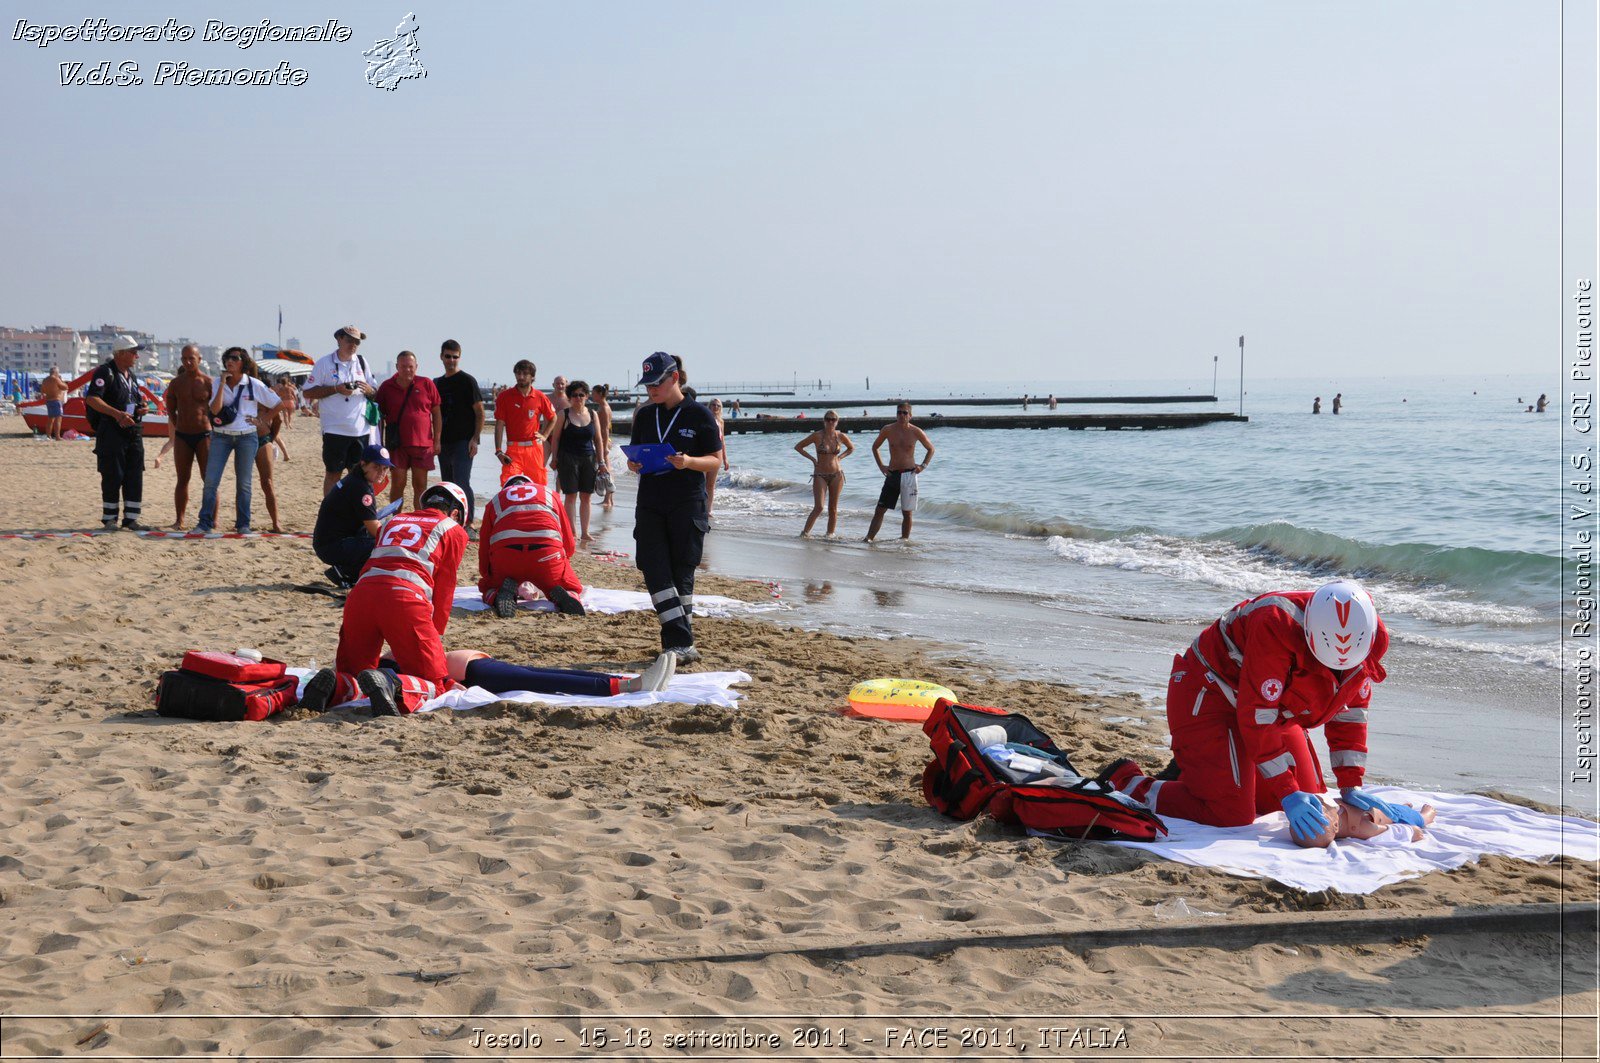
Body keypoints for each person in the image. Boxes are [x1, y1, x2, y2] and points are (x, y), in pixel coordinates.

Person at [1101, 580, 1423, 844]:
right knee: (1232, 814)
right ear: (1309, 635)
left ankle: (1204, 770)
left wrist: (1351, 785)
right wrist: (1287, 790)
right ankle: (1130, 781)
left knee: (1301, 798)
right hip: (1206, 693)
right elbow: (1258, 715)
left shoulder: (1370, 637)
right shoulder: (1275, 625)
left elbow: (1350, 714)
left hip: (1268, 710)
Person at [299, 482, 471, 716]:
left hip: (361, 595)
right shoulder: (453, 529)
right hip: (405, 599)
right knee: (435, 684)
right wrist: (434, 635)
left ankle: (336, 685)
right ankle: (392, 683)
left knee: (354, 674)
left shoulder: (393, 521)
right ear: (456, 513)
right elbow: (445, 587)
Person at [627, 352, 722, 662]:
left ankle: (677, 646)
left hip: (687, 502)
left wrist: (689, 462)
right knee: (653, 567)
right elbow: (636, 455)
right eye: (647, 385)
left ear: (675, 378)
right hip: (651, 501)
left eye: (657, 383)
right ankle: (682, 643)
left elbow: (715, 460)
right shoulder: (644, 415)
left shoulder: (699, 415)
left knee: (682, 573)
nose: (652, 390)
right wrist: (633, 463)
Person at [197, 348, 281, 534]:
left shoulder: (253, 384)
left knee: (244, 483)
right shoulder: (218, 382)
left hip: (247, 437)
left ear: (243, 362)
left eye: (234, 358)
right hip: (221, 436)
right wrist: (221, 385)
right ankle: (204, 523)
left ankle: (243, 524)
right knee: (211, 480)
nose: (230, 361)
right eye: (227, 358)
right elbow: (216, 410)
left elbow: (278, 404)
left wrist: (262, 420)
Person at [477, 473, 585, 617]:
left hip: (507, 560)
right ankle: (568, 595)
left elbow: (484, 548)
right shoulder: (550, 495)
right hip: (546, 557)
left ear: (507, 488)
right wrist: (562, 562)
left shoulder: (495, 501)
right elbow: (569, 545)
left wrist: (488, 576)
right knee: (570, 584)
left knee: (489, 587)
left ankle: (495, 595)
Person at [303, 326, 378, 495]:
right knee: (333, 473)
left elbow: (374, 392)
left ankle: (357, 513)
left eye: (357, 341)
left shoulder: (362, 362)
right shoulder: (324, 363)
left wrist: (368, 390)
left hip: (360, 430)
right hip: (334, 429)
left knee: (360, 475)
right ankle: (329, 512)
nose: (353, 344)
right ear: (339, 339)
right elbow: (308, 392)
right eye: (349, 340)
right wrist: (336, 389)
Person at [84, 335, 149, 529]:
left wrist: (140, 408)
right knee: (112, 475)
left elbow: (130, 401)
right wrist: (117, 414)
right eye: (133, 352)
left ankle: (131, 518)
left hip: (133, 432)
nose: (136, 356)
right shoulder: (105, 372)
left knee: (134, 475)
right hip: (112, 432)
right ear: (120, 354)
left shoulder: (132, 376)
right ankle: (110, 518)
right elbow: (92, 399)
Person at [313, 444, 394, 587]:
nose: (382, 472)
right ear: (363, 464)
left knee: (378, 539)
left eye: (385, 468)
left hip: (329, 541)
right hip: (331, 546)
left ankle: (348, 572)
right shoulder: (360, 487)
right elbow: (374, 529)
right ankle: (343, 572)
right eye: (377, 467)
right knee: (381, 544)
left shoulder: (357, 479)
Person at [445, 648, 676, 698]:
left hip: (471, 664)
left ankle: (627, 681)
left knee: (541, 673)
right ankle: (630, 686)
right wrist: (444, 683)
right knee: (539, 679)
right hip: (468, 672)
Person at [376, 350, 443, 511]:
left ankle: (419, 519)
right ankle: (396, 519)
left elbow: (436, 413)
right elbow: (379, 416)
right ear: (397, 366)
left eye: (411, 366)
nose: (407, 370)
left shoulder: (426, 383)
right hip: (397, 444)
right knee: (398, 483)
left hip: (423, 445)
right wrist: (379, 443)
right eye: (404, 366)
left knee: (420, 485)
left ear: (416, 366)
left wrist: (437, 440)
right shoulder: (386, 387)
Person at [864, 403, 934, 542]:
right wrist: (881, 466)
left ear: (910, 415)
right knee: (880, 510)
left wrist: (923, 466)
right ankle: (868, 539)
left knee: (907, 513)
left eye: (904, 413)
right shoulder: (888, 429)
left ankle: (904, 541)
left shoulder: (916, 431)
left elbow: (931, 449)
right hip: (892, 474)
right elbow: (875, 447)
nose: (901, 415)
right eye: (899, 412)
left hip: (909, 475)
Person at [160, 346, 212, 528]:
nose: (187, 362)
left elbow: (217, 408)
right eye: (184, 359)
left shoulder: (208, 382)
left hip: (204, 435)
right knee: (182, 479)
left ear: (199, 358)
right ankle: (179, 519)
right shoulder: (176, 383)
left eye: (191, 358)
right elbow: (170, 408)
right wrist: (178, 424)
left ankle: (212, 519)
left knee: (209, 479)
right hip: (183, 436)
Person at [434, 339, 483, 523]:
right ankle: (450, 520)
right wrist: (435, 439)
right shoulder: (437, 383)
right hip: (444, 441)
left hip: (463, 441)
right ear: (441, 357)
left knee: (462, 482)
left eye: (455, 357)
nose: (451, 360)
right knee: (447, 483)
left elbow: (479, 412)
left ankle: (468, 521)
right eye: (448, 356)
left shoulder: (467, 381)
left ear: (459, 358)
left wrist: (475, 439)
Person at [547, 379, 599, 541]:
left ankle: (585, 532)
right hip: (568, 458)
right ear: (570, 397)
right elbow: (555, 439)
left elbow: (599, 439)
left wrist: (602, 461)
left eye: (581, 395)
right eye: (574, 395)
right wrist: (554, 458)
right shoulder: (564, 414)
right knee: (570, 496)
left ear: (587, 396)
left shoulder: (593, 414)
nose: (578, 398)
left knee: (586, 496)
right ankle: (572, 531)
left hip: (589, 458)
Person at [1292, 794, 1437, 849]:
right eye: (1321, 811)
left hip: (1375, 807)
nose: (1319, 805)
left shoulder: (1328, 807)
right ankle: (1426, 815)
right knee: (1417, 818)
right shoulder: (1357, 828)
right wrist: (1411, 831)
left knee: (1390, 806)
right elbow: (1386, 831)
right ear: (1336, 826)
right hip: (1395, 817)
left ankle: (1404, 807)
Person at [493, 359, 555, 486]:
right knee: (508, 485)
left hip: (534, 449)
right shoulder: (504, 396)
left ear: (532, 377)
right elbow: (499, 424)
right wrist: (499, 451)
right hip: (513, 449)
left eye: (525, 374)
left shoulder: (540, 396)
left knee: (538, 487)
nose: (520, 377)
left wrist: (545, 435)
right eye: (518, 373)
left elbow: (553, 417)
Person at [796, 410, 854, 537]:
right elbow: (799, 447)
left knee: (833, 509)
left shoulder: (841, 436)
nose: (830, 422)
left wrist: (840, 457)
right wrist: (812, 459)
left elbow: (851, 448)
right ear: (824, 421)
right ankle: (804, 534)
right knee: (819, 507)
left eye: (833, 419)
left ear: (837, 422)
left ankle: (830, 535)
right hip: (820, 475)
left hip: (837, 474)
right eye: (828, 419)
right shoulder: (817, 436)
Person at [253, 374, 289, 534]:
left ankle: (276, 522)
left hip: (261, 438)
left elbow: (278, 419)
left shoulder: (262, 393)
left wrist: (270, 437)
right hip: (247, 438)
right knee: (247, 483)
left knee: (266, 482)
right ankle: (242, 522)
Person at [590, 383, 616, 510]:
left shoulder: (604, 408)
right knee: (606, 469)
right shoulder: (602, 406)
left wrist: (604, 447)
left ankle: (608, 499)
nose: (591, 395)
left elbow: (605, 430)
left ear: (599, 394)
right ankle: (609, 499)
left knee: (606, 470)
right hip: (604, 441)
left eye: (593, 393)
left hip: (605, 442)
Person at [704, 398, 729, 515]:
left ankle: (709, 510)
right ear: (709, 406)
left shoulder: (721, 422)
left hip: (716, 455)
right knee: (701, 482)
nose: (715, 407)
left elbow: (722, 441)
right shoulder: (705, 419)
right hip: (704, 454)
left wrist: (725, 459)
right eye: (713, 405)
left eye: (718, 406)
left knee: (711, 484)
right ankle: (699, 507)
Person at [40, 367, 69, 440]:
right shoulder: (56, 379)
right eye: (58, 373)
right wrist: (61, 380)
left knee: (50, 419)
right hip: (56, 400)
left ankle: (48, 436)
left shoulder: (45, 380)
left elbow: (43, 390)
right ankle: (57, 436)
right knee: (58, 419)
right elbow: (65, 387)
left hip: (48, 400)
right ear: (56, 372)